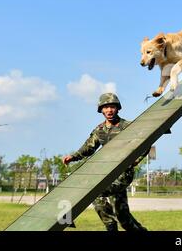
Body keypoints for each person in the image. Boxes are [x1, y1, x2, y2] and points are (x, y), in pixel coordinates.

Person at [63, 93, 147, 231]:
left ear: (118, 108)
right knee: (124, 218)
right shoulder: (99, 130)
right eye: (106, 107)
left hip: (122, 174)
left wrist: (135, 161)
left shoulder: (128, 126)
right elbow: (88, 147)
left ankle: (110, 225)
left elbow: (145, 143)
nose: (109, 110)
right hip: (106, 174)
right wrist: (73, 157)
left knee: (94, 191)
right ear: (101, 110)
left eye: (112, 107)